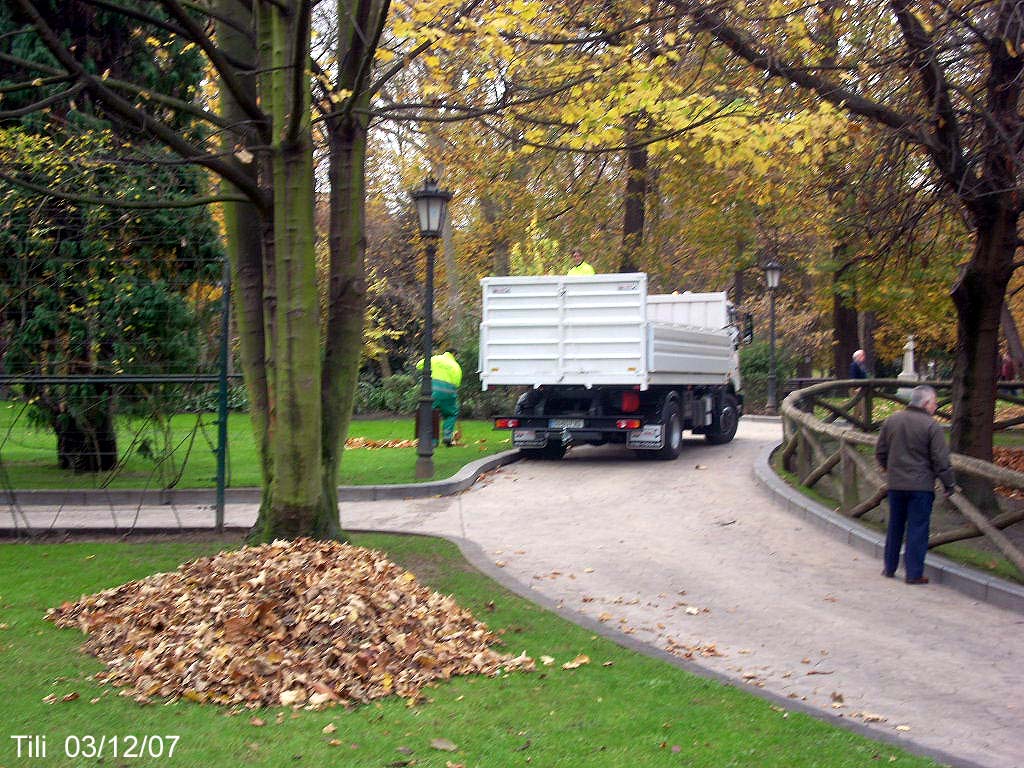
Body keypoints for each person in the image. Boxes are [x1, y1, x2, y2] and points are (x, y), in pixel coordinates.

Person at [875, 385, 956, 584]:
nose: (935, 407)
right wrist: (949, 484)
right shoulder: (931, 426)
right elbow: (941, 459)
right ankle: (913, 573)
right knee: (918, 529)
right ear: (926, 403)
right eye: (934, 403)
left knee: (895, 526)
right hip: (921, 486)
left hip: (896, 484)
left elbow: (880, 451)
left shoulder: (892, 420)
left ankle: (889, 567)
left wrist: (890, 469)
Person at [415, 349, 462, 446]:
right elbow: (457, 383)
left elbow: (419, 365)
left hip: (433, 391)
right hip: (449, 393)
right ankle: (447, 437)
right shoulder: (456, 366)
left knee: (430, 414)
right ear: (454, 355)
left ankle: (433, 441)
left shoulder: (435, 359)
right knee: (451, 414)